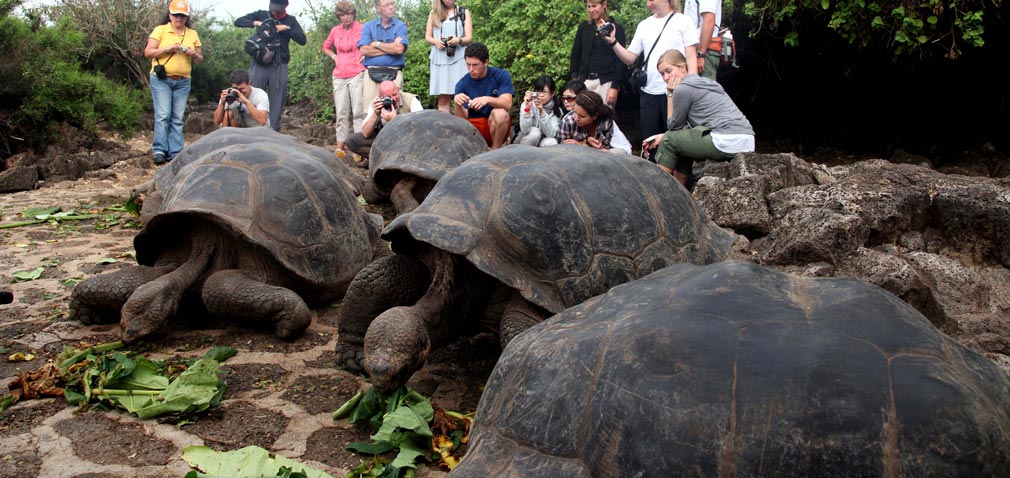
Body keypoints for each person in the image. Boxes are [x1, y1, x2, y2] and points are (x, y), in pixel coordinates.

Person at [643, 49, 754, 189]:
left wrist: (670, 94)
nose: (665, 77)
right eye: (662, 74)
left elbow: (673, 127)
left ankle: (657, 191)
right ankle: (680, 193)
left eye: (669, 71)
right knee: (680, 145)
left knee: (669, 141)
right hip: (747, 139)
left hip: (726, 140)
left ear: (683, 67)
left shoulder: (683, 89)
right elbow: (685, 131)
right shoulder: (708, 83)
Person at [604, 0, 698, 157]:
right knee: (650, 142)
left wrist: (693, 87)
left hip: (677, 90)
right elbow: (630, 58)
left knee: (675, 140)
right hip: (649, 91)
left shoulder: (683, 21)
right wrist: (613, 42)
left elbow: (691, 57)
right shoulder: (644, 25)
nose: (649, 3)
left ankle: (680, 180)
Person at [144, 0, 203, 165]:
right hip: (162, 79)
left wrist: (193, 55)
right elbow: (148, 52)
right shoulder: (161, 30)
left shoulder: (192, 34)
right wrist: (166, 49)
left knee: (177, 117)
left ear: (186, 17)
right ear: (169, 15)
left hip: (183, 81)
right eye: (176, 15)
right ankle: (159, 150)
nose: (179, 18)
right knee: (163, 115)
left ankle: (175, 151)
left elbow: (200, 59)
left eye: (182, 15)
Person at [235, 0, 306, 132]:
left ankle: (273, 131)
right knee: (252, 95)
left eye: (278, 9)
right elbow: (238, 21)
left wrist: (286, 29)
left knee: (277, 99)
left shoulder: (291, 20)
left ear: (285, 6)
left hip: (279, 65)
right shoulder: (262, 14)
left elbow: (302, 40)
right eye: (273, 8)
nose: (274, 11)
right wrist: (256, 23)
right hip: (259, 64)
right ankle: (249, 128)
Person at [322, 1, 366, 154]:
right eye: (342, 15)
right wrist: (334, 57)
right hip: (339, 74)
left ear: (353, 14)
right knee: (341, 111)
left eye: (349, 14)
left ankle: (359, 148)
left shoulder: (362, 28)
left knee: (358, 111)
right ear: (339, 16)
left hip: (357, 72)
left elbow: (370, 44)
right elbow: (325, 47)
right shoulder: (335, 31)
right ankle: (340, 146)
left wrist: (365, 55)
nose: (346, 18)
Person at [345, 80, 424, 164]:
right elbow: (365, 133)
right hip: (385, 140)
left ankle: (397, 161)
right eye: (388, 97)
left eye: (394, 95)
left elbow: (422, 129)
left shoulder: (411, 100)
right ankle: (379, 160)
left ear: (398, 89)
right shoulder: (377, 103)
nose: (393, 99)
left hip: (407, 142)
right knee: (352, 140)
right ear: (381, 97)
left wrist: (395, 119)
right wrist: (375, 113)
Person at [453, 42, 514, 149]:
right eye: (468, 64)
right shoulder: (462, 83)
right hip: (473, 130)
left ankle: (496, 150)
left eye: (475, 65)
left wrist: (487, 100)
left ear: (485, 62)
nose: (471, 69)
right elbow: (461, 121)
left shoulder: (501, 75)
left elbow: (507, 103)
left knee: (500, 113)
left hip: (495, 126)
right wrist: (457, 104)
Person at [568, 0, 626, 107]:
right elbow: (576, 53)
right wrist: (574, 77)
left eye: (594, 6)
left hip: (605, 82)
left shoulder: (615, 28)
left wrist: (615, 86)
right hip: (585, 81)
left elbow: (621, 61)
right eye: (589, 7)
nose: (591, 10)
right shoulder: (584, 27)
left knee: (604, 117)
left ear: (604, 5)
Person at [358, 0, 408, 114]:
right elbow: (363, 50)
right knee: (370, 111)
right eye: (386, 5)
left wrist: (376, 44)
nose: (391, 7)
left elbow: (399, 49)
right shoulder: (369, 26)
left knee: (395, 110)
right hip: (371, 73)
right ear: (378, 8)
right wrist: (391, 48)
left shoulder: (400, 26)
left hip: (393, 73)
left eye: (392, 4)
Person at [559, 79, 632, 154]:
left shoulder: (605, 121)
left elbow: (603, 151)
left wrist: (584, 145)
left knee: (619, 152)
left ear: (594, 116)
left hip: (600, 156)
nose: (576, 118)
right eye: (575, 113)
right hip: (573, 157)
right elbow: (561, 151)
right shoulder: (567, 122)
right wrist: (581, 145)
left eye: (582, 116)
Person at [425, 0, 472, 113]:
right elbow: (427, 36)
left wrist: (458, 40)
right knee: (443, 99)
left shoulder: (463, 12)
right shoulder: (433, 13)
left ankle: (465, 128)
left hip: (459, 56)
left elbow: (469, 38)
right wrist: (435, 41)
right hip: (439, 59)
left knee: (463, 97)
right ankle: (444, 128)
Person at [515, 76, 562, 147]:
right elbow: (525, 130)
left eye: (544, 92)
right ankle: (523, 156)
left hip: (542, 141)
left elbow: (551, 134)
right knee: (535, 133)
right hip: (524, 140)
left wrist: (542, 112)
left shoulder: (557, 110)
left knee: (552, 142)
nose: (541, 95)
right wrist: (527, 110)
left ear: (552, 94)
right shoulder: (527, 104)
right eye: (538, 91)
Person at [684, 0, 721, 80]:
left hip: (704, 51)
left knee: (704, 89)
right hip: (695, 50)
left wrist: (700, 54)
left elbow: (709, 20)